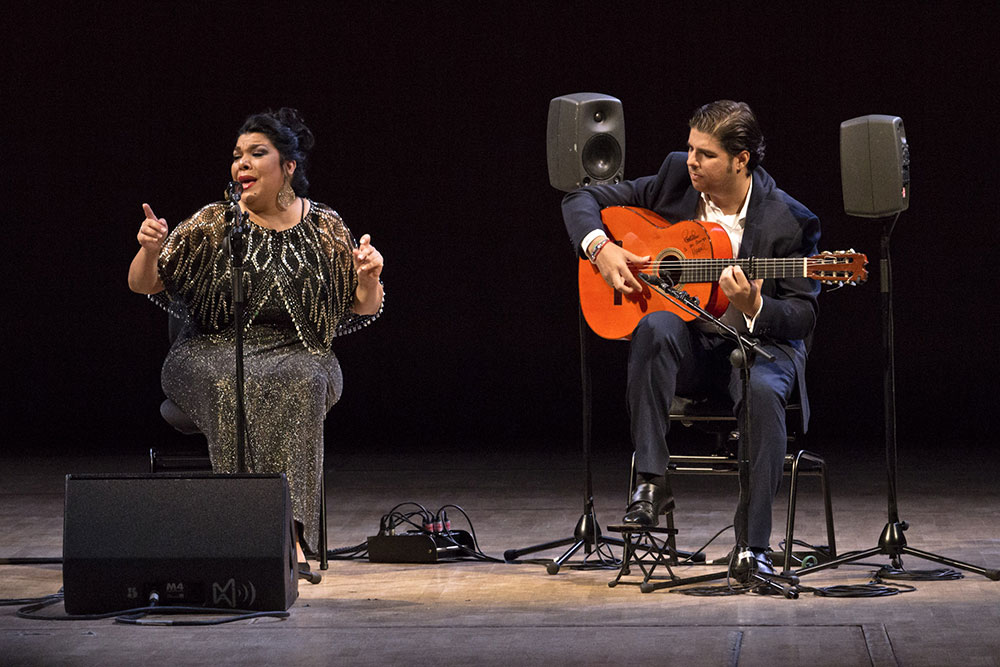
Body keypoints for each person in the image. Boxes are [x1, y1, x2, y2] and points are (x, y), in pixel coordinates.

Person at [561, 100, 819, 573]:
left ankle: (751, 548)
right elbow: (579, 200)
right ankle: (652, 481)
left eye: (706, 154)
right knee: (655, 325)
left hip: (760, 351)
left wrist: (755, 306)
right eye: (690, 149)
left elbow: (802, 317)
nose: (692, 161)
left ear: (741, 159)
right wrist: (601, 249)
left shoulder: (789, 219)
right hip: (694, 353)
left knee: (761, 392)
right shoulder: (675, 177)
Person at [128, 108, 384, 565]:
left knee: (303, 381)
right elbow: (143, 283)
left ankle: (290, 534)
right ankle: (248, 533)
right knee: (234, 380)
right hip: (209, 350)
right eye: (237, 155)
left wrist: (369, 277)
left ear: (288, 166)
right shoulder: (215, 223)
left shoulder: (326, 227)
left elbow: (364, 304)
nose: (241, 164)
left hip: (298, 352)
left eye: (256, 153)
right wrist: (149, 250)